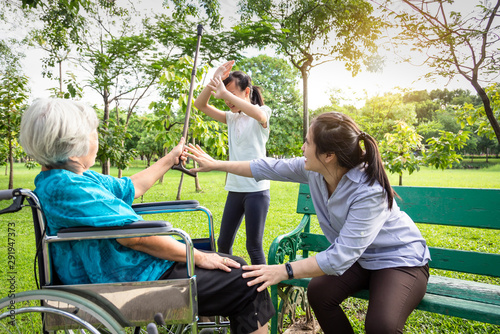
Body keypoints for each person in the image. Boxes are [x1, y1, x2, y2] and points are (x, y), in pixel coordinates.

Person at [19, 98, 274, 334]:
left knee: (240, 267)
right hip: (130, 277)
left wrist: (169, 158)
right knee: (250, 282)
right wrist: (198, 256)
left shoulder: (73, 178)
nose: (95, 138)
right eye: (92, 132)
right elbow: (135, 239)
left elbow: (130, 187)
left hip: (132, 268)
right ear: (73, 144)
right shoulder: (70, 188)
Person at [184, 111, 431, 334]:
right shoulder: (314, 170)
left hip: (399, 260)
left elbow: (339, 257)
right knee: (320, 292)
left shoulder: (369, 190)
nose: (302, 148)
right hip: (360, 258)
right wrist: (216, 165)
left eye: (308, 142)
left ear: (329, 155)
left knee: (381, 327)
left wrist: (283, 270)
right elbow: (267, 166)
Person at [194, 60, 272, 265]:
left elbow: (259, 114)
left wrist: (223, 93)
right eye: (225, 96)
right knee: (223, 243)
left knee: (253, 246)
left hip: (257, 190)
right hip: (235, 188)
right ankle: (229, 287)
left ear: (247, 92)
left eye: (232, 95)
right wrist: (215, 79)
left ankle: (261, 295)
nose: (227, 101)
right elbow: (199, 105)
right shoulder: (231, 118)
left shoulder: (263, 113)